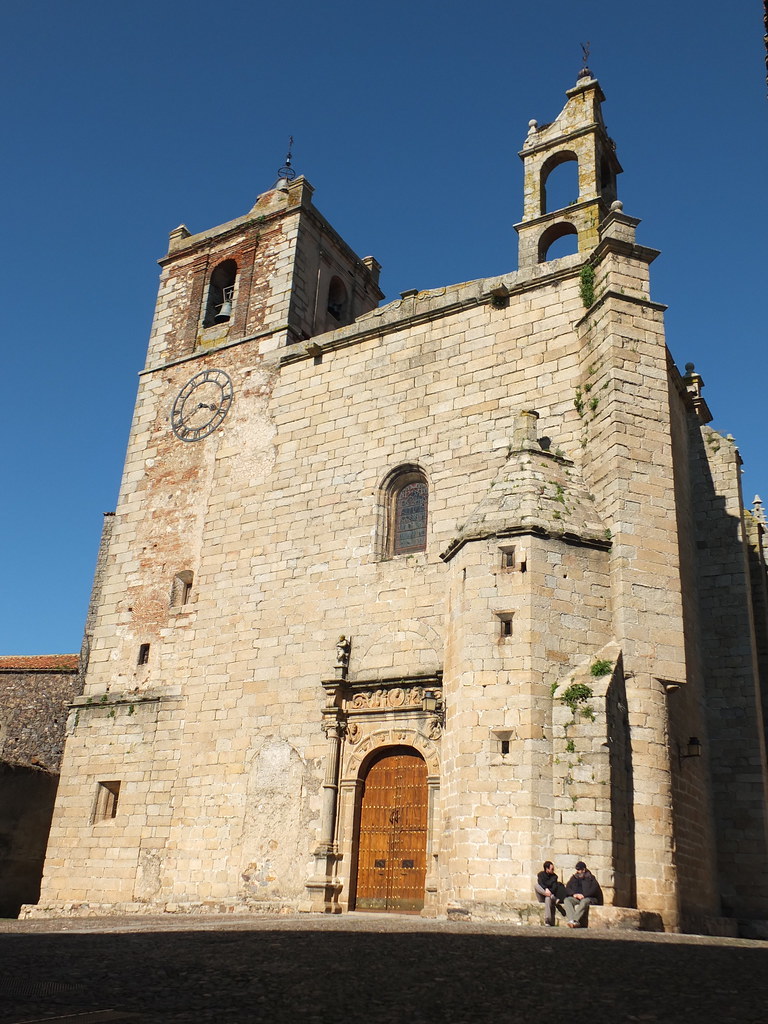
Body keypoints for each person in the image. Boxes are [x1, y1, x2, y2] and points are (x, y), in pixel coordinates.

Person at [563, 860, 603, 928]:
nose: (578, 871)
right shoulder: (574, 878)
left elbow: (594, 889)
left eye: (579, 870)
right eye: (577, 870)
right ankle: (572, 920)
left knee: (584, 901)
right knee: (567, 900)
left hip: (589, 898)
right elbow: (567, 888)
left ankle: (575, 920)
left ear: (583, 870)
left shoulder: (591, 878)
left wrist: (584, 895)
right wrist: (574, 894)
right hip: (577, 897)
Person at [534, 860, 566, 926]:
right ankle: (552, 897)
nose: (553, 870)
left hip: (549, 896)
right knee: (536, 886)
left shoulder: (554, 877)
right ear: (547, 869)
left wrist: (548, 891)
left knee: (548, 898)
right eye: (552, 869)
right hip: (542, 895)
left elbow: (554, 888)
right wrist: (546, 889)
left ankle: (548, 920)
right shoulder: (541, 875)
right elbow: (540, 884)